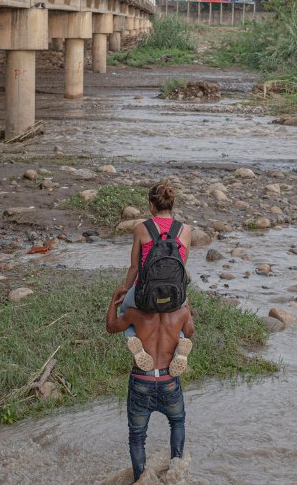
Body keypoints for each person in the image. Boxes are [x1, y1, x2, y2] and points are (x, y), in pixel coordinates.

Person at [106, 275, 195, 482]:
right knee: (177, 422)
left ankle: (141, 479)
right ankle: (176, 472)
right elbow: (189, 332)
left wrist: (114, 298)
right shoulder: (180, 313)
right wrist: (185, 306)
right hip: (169, 378)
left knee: (137, 437)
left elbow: (110, 327)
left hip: (142, 380)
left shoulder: (134, 314)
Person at [112, 181, 193, 371]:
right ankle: (181, 342)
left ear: (151, 205)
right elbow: (182, 266)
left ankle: (135, 343)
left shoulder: (142, 228)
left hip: (144, 295)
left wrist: (125, 289)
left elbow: (134, 267)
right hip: (175, 295)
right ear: (172, 204)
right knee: (183, 317)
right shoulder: (186, 231)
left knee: (124, 312)